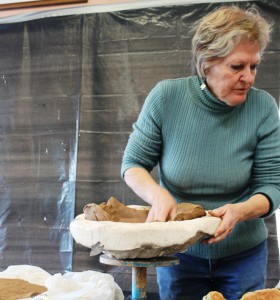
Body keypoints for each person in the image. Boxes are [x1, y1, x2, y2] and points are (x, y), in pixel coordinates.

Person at [121, 5, 280, 300]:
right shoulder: (167, 98)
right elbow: (133, 164)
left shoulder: (264, 108)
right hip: (179, 254)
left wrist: (239, 211)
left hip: (242, 255)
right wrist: (158, 195)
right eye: (237, 67)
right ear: (207, 63)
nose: (249, 77)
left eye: (254, 66)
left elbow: (272, 186)